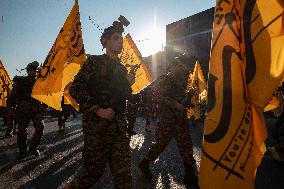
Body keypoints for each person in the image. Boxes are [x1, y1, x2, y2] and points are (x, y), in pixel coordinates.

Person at [66, 16, 134, 189]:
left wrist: (128, 85)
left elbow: (124, 96)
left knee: (124, 176)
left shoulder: (122, 69)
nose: (120, 42)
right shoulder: (94, 63)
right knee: (91, 173)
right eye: (116, 38)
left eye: (121, 38)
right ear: (105, 41)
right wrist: (97, 110)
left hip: (118, 127)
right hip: (97, 127)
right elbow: (75, 90)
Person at [138, 54, 199, 188]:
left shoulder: (182, 81)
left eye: (183, 66)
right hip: (167, 120)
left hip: (180, 119)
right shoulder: (164, 79)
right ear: (173, 67)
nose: (183, 69)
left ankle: (190, 174)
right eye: (180, 66)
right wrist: (175, 104)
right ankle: (145, 163)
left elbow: (182, 99)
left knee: (186, 145)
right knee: (160, 145)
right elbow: (157, 96)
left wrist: (190, 96)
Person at [8, 61, 46, 158]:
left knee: (40, 127)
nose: (33, 72)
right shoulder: (21, 81)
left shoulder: (39, 81)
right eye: (31, 70)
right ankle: (22, 150)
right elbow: (13, 95)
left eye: (34, 70)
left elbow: (44, 95)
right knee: (22, 131)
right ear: (28, 71)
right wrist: (10, 107)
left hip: (36, 108)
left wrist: (45, 105)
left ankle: (33, 147)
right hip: (23, 108)